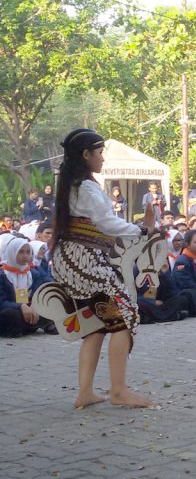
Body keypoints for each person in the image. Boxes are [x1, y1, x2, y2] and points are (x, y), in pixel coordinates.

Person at [50, 128, 156, 408]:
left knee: (95, 324)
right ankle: (119, 391)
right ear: (85, 155)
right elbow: (107, 223)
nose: (103, 159)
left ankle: (85, 393)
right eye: (99, 153)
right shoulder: (84, 187)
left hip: (74, 259)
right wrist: (142, 229)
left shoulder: (72, 184)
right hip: (83, 261)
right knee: (126, 314)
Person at [0, 236, 55, 337]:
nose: (25, 256)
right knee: (10, 315)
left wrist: (34, 306)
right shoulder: (3, 274)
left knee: (48, 308)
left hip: (28, 309)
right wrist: (21, 306)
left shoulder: (32, 274)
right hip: (11, 310)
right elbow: (1, 302)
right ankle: (33, 325)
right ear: (12, 252)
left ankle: (29, 325)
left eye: (28, 252)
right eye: (20, 252)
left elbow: (40, 291)